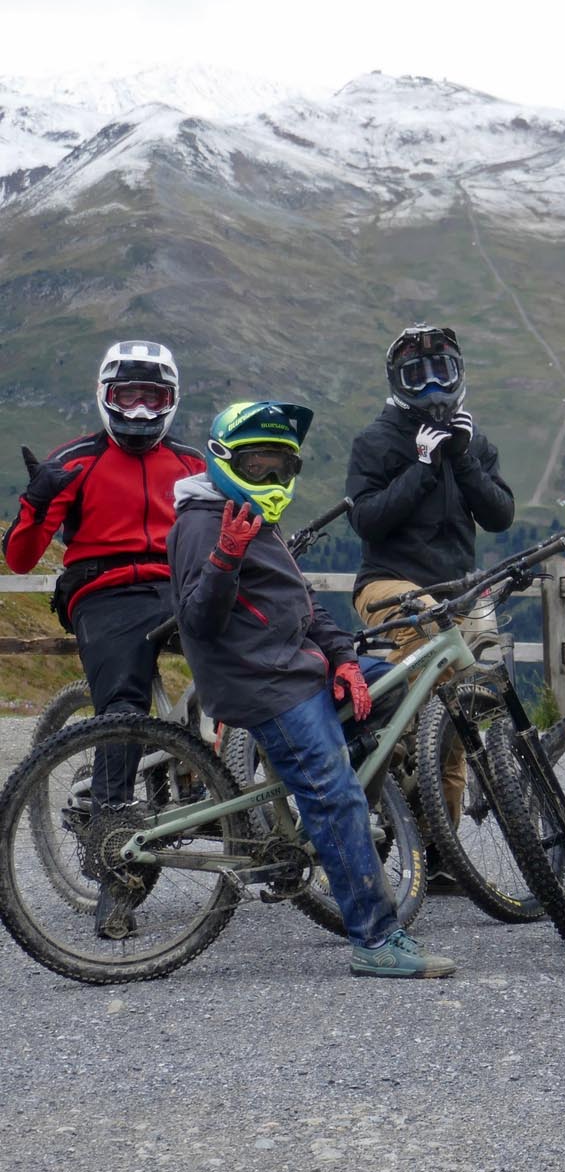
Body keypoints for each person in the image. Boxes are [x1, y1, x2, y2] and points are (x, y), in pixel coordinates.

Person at [170, 400, 455, 977]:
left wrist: (344, 659)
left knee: (395, 684)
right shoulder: (204, 524)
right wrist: (225, 558)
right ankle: (375, 941)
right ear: (224, 461)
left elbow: (301, 601)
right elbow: (197, 622)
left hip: (297, 669)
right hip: (264, 683)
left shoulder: (251, 514)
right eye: (257, 465)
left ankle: (327, 797)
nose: (271, 477)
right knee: (336, 795)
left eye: (282, 466)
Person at [2, 341, 205, 938]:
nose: (140, 409)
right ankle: (117, 873)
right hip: (103, 590)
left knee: (254, 662)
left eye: (153, 398)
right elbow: (19, 558)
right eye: (127, 396)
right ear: (105, 397)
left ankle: (222, 776)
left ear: (171, 401)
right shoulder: (74, 461)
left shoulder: (192, 463)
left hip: (178, 585)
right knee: (123, 704)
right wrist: (37, 502)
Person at [345, 325, 515, 866]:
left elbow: (500, 515)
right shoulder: (376, 441)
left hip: (457, 591)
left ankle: (440, 856)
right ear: (397, 381)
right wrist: (421, 466)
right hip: (387, 584)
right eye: (417, 375)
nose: (433, 384)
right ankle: (378, 769)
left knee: (455, 725)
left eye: (443, 371)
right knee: (422, 643)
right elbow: (366, 519)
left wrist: (461, 458)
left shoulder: (473, 440)